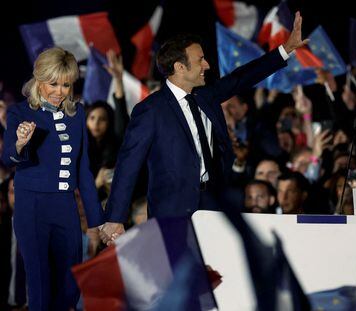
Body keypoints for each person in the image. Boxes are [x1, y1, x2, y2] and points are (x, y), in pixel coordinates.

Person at [100, 12, 309, 242]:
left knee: (217, 271)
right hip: (172, 211)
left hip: (213, 203)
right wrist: (115, 217)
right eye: (200, 59)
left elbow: (243, 77)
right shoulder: (150, 110)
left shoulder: (206, 96)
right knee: (182, 274)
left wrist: (286, 49)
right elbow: (128, 164)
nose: (207, 65)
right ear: (180, 67)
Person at [1, 47, 104, 310]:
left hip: (65, 206)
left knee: (70, 284)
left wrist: (97, 221)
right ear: (38, 79)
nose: (60, 92)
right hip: (31, 206)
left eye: (66, 85)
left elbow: (83, 169)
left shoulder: (77, 113)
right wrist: (21, 143)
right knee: (40, 284)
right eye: (53, 84)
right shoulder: (19, 113)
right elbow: (8, 157)